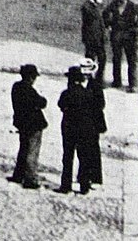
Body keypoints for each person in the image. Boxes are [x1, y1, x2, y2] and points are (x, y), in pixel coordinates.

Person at [56, 65, 95, 195]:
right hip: (84, 128)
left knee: (67, 157)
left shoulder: (66, 93)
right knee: (83, 157)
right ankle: (84, 185)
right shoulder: (87, 93)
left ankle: (66, 185)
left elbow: (61, 105)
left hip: (69, 127)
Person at [8, 63, 46, 189]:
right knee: (32, 151)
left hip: (22, 123)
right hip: (34, 124)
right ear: (30, 77)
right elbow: (41, 102)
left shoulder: (16, 87)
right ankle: (30, 178)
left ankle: (18, 174)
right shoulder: (29, 89)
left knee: (23, 149)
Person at [103, 0, 138, 91]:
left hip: (129, 35)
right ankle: (116, 81)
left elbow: (137, 20)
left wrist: (134, 29)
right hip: (116, 34)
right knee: (116, 58)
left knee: (131, 59)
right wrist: (108, 25)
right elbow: (105, 14)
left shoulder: (132, 6)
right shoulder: (113, 4)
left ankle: (131, 83)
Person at [78, 58, 107, 190]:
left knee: (93, 149)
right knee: (83, 150)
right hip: (82, 122)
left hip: (93, 122)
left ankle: (95, 177)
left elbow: (101, 104)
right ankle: (83, 175)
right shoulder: (76, 83)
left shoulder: (95, 85)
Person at [80, 0, 107, 79]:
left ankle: (98, 78)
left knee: (102, 58)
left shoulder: (95, 5)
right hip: (91, 37)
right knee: (90, 58)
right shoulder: (87, 6)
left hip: (98, 36)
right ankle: (89, 77)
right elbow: (94, 16)